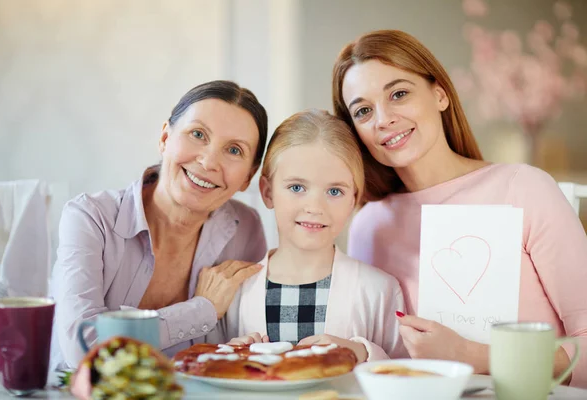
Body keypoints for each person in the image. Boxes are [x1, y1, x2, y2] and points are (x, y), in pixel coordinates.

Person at [332, 30, 587, 387]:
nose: (383, 119)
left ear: (439, 94)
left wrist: (471, 355)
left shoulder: (523, 189)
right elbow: (390, 356)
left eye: (399, 94)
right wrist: (354, 350)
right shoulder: (369, 224)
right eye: (363, 111)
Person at [51, 80, 269, 368]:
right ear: (165, 138)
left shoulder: (246, 228)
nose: (208, 161)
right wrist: (202, 310)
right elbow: (84, 347)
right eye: (198, 134)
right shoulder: (90, 218)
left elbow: (247, 337)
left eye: (234, 150)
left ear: (248, 177)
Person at [202, 109, 405, 363]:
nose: (315, 207)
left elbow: (405, 376)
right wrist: (229, 356)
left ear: (354, 198)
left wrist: (362, 353)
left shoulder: (380, 290)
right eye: (297, 187)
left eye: (334, 191)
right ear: (267, 192)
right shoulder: (234, 291)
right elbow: (205, 374)